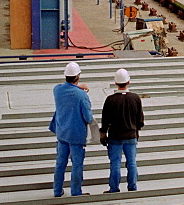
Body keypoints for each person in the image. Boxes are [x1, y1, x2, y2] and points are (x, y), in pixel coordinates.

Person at [49, 61, 93, 197]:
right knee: (77, 165)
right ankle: (76, 192)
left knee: (60, 163)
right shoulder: (82, 96)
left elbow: (65, 88)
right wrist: (80, 89)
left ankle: (57, 191)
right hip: (76, 135)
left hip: (62, 133)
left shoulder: (57, 90)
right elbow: (88, 118)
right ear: (78, 76)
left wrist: (78, 87)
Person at [100, 68, 143, 193]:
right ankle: (132, 187)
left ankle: (114, 188)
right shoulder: (135, 98)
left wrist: (103, 134)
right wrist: (136, 131)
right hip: (131, 136)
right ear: (128, 82)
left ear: (115, 83)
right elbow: (140, 119)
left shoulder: (110, 100)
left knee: (115, 164)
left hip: (115, 137)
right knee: (132, 163)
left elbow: (105, 120)